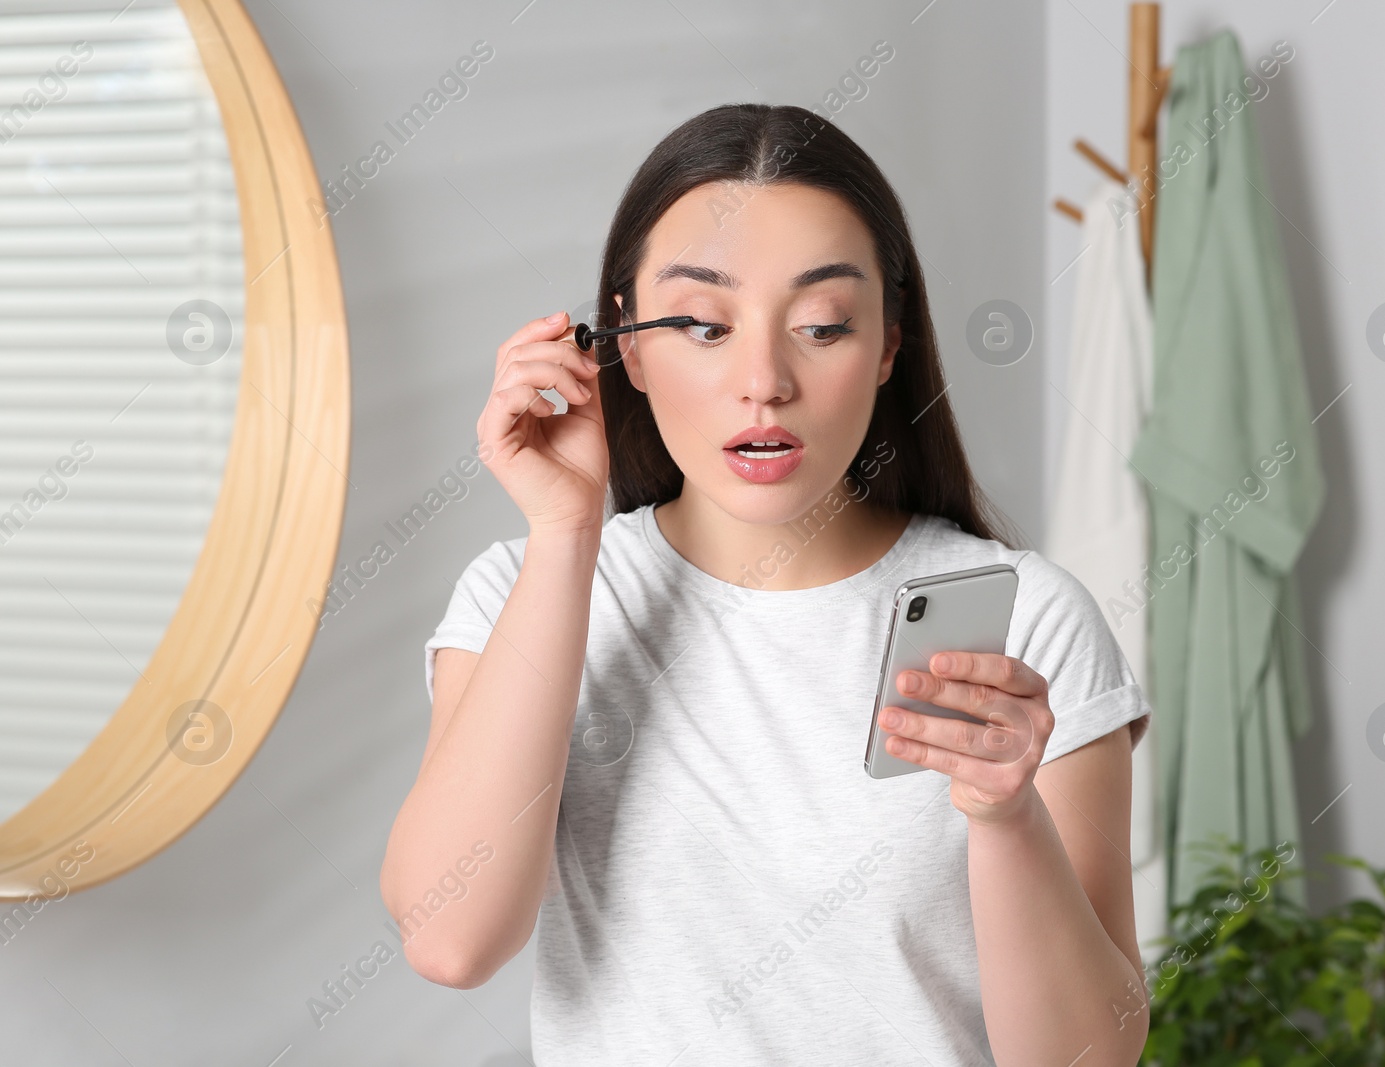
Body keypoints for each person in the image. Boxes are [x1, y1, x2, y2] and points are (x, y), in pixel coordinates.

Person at [380, 102, 1151, 1066]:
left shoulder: (1029, 621)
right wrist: (565, 533)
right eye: (703, 323)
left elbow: (1090, 1058)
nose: (763, 380)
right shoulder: (522, 590)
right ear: (623, 342)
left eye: (823, 326)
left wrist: (1006, 817)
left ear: (889, 343)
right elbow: (450, 941)